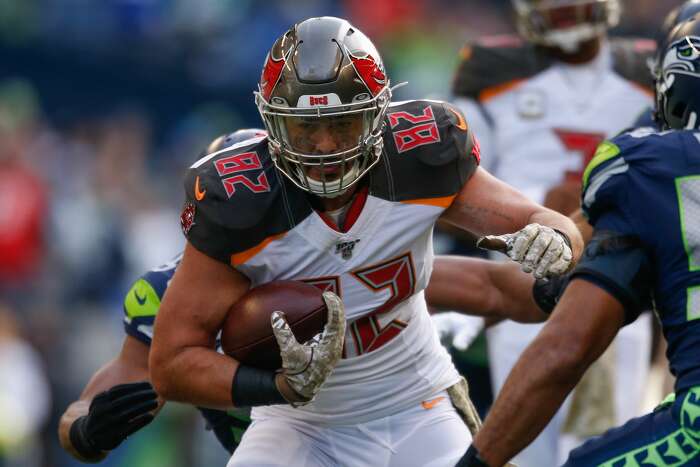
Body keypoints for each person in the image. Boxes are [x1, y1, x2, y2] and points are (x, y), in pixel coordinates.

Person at [148, 16, 581, 467]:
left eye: (342, 124)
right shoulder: (237, 202)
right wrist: (278, 387)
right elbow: (171, 363)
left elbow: (542, 220)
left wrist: (556, 239)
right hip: (300, 424)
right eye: (305, 130)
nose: (324, 148)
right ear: (273, 123)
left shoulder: (418, 156)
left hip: (418, 403)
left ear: (377, 114)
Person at [57, 127, 555, 464]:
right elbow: (84, 409)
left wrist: (571, 285)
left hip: (395, 418)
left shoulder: (344, 263)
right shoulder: (171, 297)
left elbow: (495, 289)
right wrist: (87, 430)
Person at [459, 14, 700, 467]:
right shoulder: (495, 71)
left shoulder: (646, 165)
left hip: (578, 280)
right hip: (557, 265)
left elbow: (561, 342)